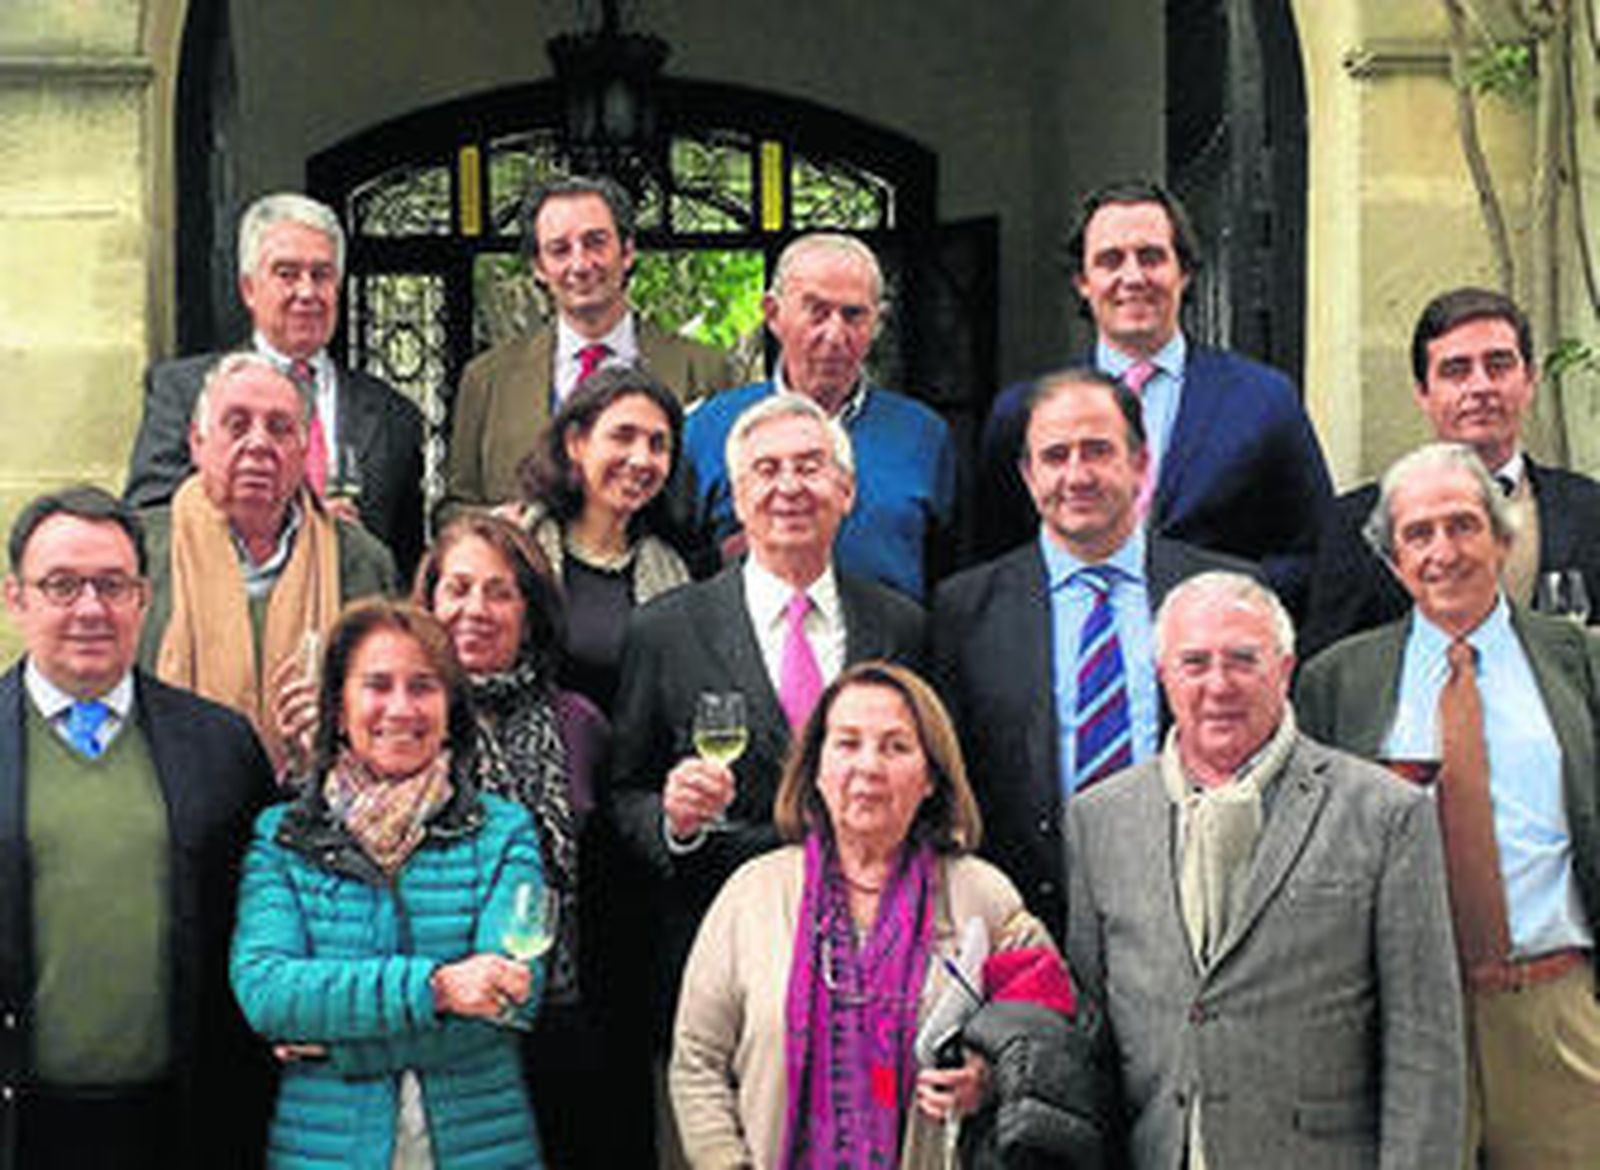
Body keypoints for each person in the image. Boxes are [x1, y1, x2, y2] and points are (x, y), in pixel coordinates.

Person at [608, 392, 924, 1159]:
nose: (788, 487)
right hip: (725, 972)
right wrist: (672, 819)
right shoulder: (666, 629)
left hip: (877, 972)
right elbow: (623, 794)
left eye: (810, 468)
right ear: (736, 497)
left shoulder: (903, 625)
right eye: (766, 471)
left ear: (846, 492)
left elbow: (934, 778)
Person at [1066, 571, 1464, 1168]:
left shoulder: (1385, 814)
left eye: (1243, 660)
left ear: (1284, 669)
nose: (1218, 684)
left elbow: (1425, 1049)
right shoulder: (1099, 820)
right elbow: (1091, 1041)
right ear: (1162, 675)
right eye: (1194, 662)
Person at [1296, 443, 1600, 1168]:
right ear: (1393, 558)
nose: (1444, 552)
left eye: (1463, 525)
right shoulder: (1337, 684)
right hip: (1407, 1027)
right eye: (1418, 533)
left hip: (1555, 1010)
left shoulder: (1579, 660)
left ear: (1503, 536)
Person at [671, 660, 1055, 1169]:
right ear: (816, 768)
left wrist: (986, 1078)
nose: (869, 766)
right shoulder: (751, 894)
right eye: (848, 744)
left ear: (931, 779)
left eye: (896, 747)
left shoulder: (983, 897)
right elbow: (697, 1063)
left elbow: (1047, 1033)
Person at [0, 486, 273, 1168]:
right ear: (16, 598)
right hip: (21, 1124)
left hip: (180, 1121)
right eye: (61, 585)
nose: (90, 608)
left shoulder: (222, 746)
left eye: (111, 585)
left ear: (143, 599)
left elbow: (266, 916)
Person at [230, 600, 547, 1168]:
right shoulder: (282, 836)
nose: (400, 708)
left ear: (451, 706)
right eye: (377, 685)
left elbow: (511, 998)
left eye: (423, 686)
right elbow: (267, 992)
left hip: (481, 1146)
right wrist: (440, 990)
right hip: (324, 1147)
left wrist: (335, 1044)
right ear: (338, 705)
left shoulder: (504, 832)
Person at [931, 369, 1251, 926]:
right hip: (1026, 924)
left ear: (1140, 464)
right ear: (1029, 476)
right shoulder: (965, 611)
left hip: (1199, 917)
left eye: (1098, 451)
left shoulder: (1227, 594)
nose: (1076, 475)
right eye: (1055, 456)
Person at [978, 180, 1332, 614]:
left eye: (1151, 257)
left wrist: (1225, 602)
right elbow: (991, 563)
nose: (1133, 277)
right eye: (1111, 261)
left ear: (1184, 272)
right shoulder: (1026, 411)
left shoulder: (1263, 400)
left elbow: (1314, 552)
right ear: (1082, 283)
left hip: (1214, 665)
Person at [413, 513, 634, 1169]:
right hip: (437, 1019)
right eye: (456, 589)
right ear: (426, 602)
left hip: (559, 1023)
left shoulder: (580, 724)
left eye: (498, 592)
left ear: (531, 612)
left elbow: (611, 883)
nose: (474, 610)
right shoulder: (391, 718)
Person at [124, 192, 425, 575]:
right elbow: (147, 525)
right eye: (287, 274)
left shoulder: (393, 414)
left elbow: (406, 563)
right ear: (249, 288)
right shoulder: (183, 392)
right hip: (222, 618)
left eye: (321, 275)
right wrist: (292, 524)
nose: (307, 292)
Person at [1301, 286, 1600, 656]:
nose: (1481, 386)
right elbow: (1327, 676)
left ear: (1529, 381)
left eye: (1499, 365)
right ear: (1423, 393)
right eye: (1456, 371)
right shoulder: (1358, 524)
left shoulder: (1589, 510)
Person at [136, 352, 397, 769]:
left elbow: (388, 706)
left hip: (312, 812)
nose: (258, 444)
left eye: (279, 428)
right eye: (237, 425)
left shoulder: (361, 561)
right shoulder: (138, 553)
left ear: (302, 450)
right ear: (197, 442)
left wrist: (333, 724)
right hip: (173, 809)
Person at [683, 232, 957, 601]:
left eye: (853, 315)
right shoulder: (709, 430)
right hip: (741, 650)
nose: (834, 334)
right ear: (773, 314)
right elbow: (676, 567)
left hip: (885, 651)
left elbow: (951, 574)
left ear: (877, 323)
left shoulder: (922, 436)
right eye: (817, 312)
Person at [444, 174, 736, 511]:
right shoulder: (487, 379)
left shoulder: (704, 369)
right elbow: (453, 510)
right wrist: (499, 526)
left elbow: (730, 501)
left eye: (595, 242)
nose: (580, 264)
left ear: (627, 252)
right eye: (559, 250)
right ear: (539, 267)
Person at [501, 365, 692, 712]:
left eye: (658, 444)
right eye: (623, 436)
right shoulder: (514, 546)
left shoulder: (675, 570)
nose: (641, 459)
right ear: (576, 443)